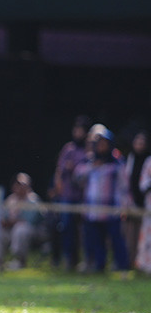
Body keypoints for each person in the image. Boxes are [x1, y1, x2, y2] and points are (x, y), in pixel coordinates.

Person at [74, 124, 129, 272]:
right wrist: (92, 166)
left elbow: (124, 186)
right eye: (99, 143)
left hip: (112, 209)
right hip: (92, 209)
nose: (102, 146)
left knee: (116, 239)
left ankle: (122, 266)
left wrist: (125, 206)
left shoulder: (117, 162)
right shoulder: (89, 161)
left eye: (105, 143)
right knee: (95, 241)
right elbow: (77, 178)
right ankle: (99, 266)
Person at [52, 115, 91, 271]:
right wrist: (58, 191)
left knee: (82, 231)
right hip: (66, 197)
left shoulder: (89, 151)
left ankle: (83, 261)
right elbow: (59, 171)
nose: (77, 132)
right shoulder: (68, 149)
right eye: (76, 129)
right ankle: (68, 259)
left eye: (80, 130)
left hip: (83, 198)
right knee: (65, 227)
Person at [0, 172, 45, 271]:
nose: (19, 187)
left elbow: (28, 221)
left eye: (23, 185)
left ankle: (19, 261)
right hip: (11, 229)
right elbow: (3, 218)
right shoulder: (11, 199)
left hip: (33, 232)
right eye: (17, 184)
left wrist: (10, 222)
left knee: (21, 229)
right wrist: (5, 222)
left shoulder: (33, 200)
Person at [123, 130, 148, 267]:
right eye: (137, 142)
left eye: (142, 143)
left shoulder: (148, 160)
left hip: (146, 204)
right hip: (131, 202)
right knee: (130, 234)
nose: (140, 145)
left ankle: (144, 264)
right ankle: (130, 262)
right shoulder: (130, 159)